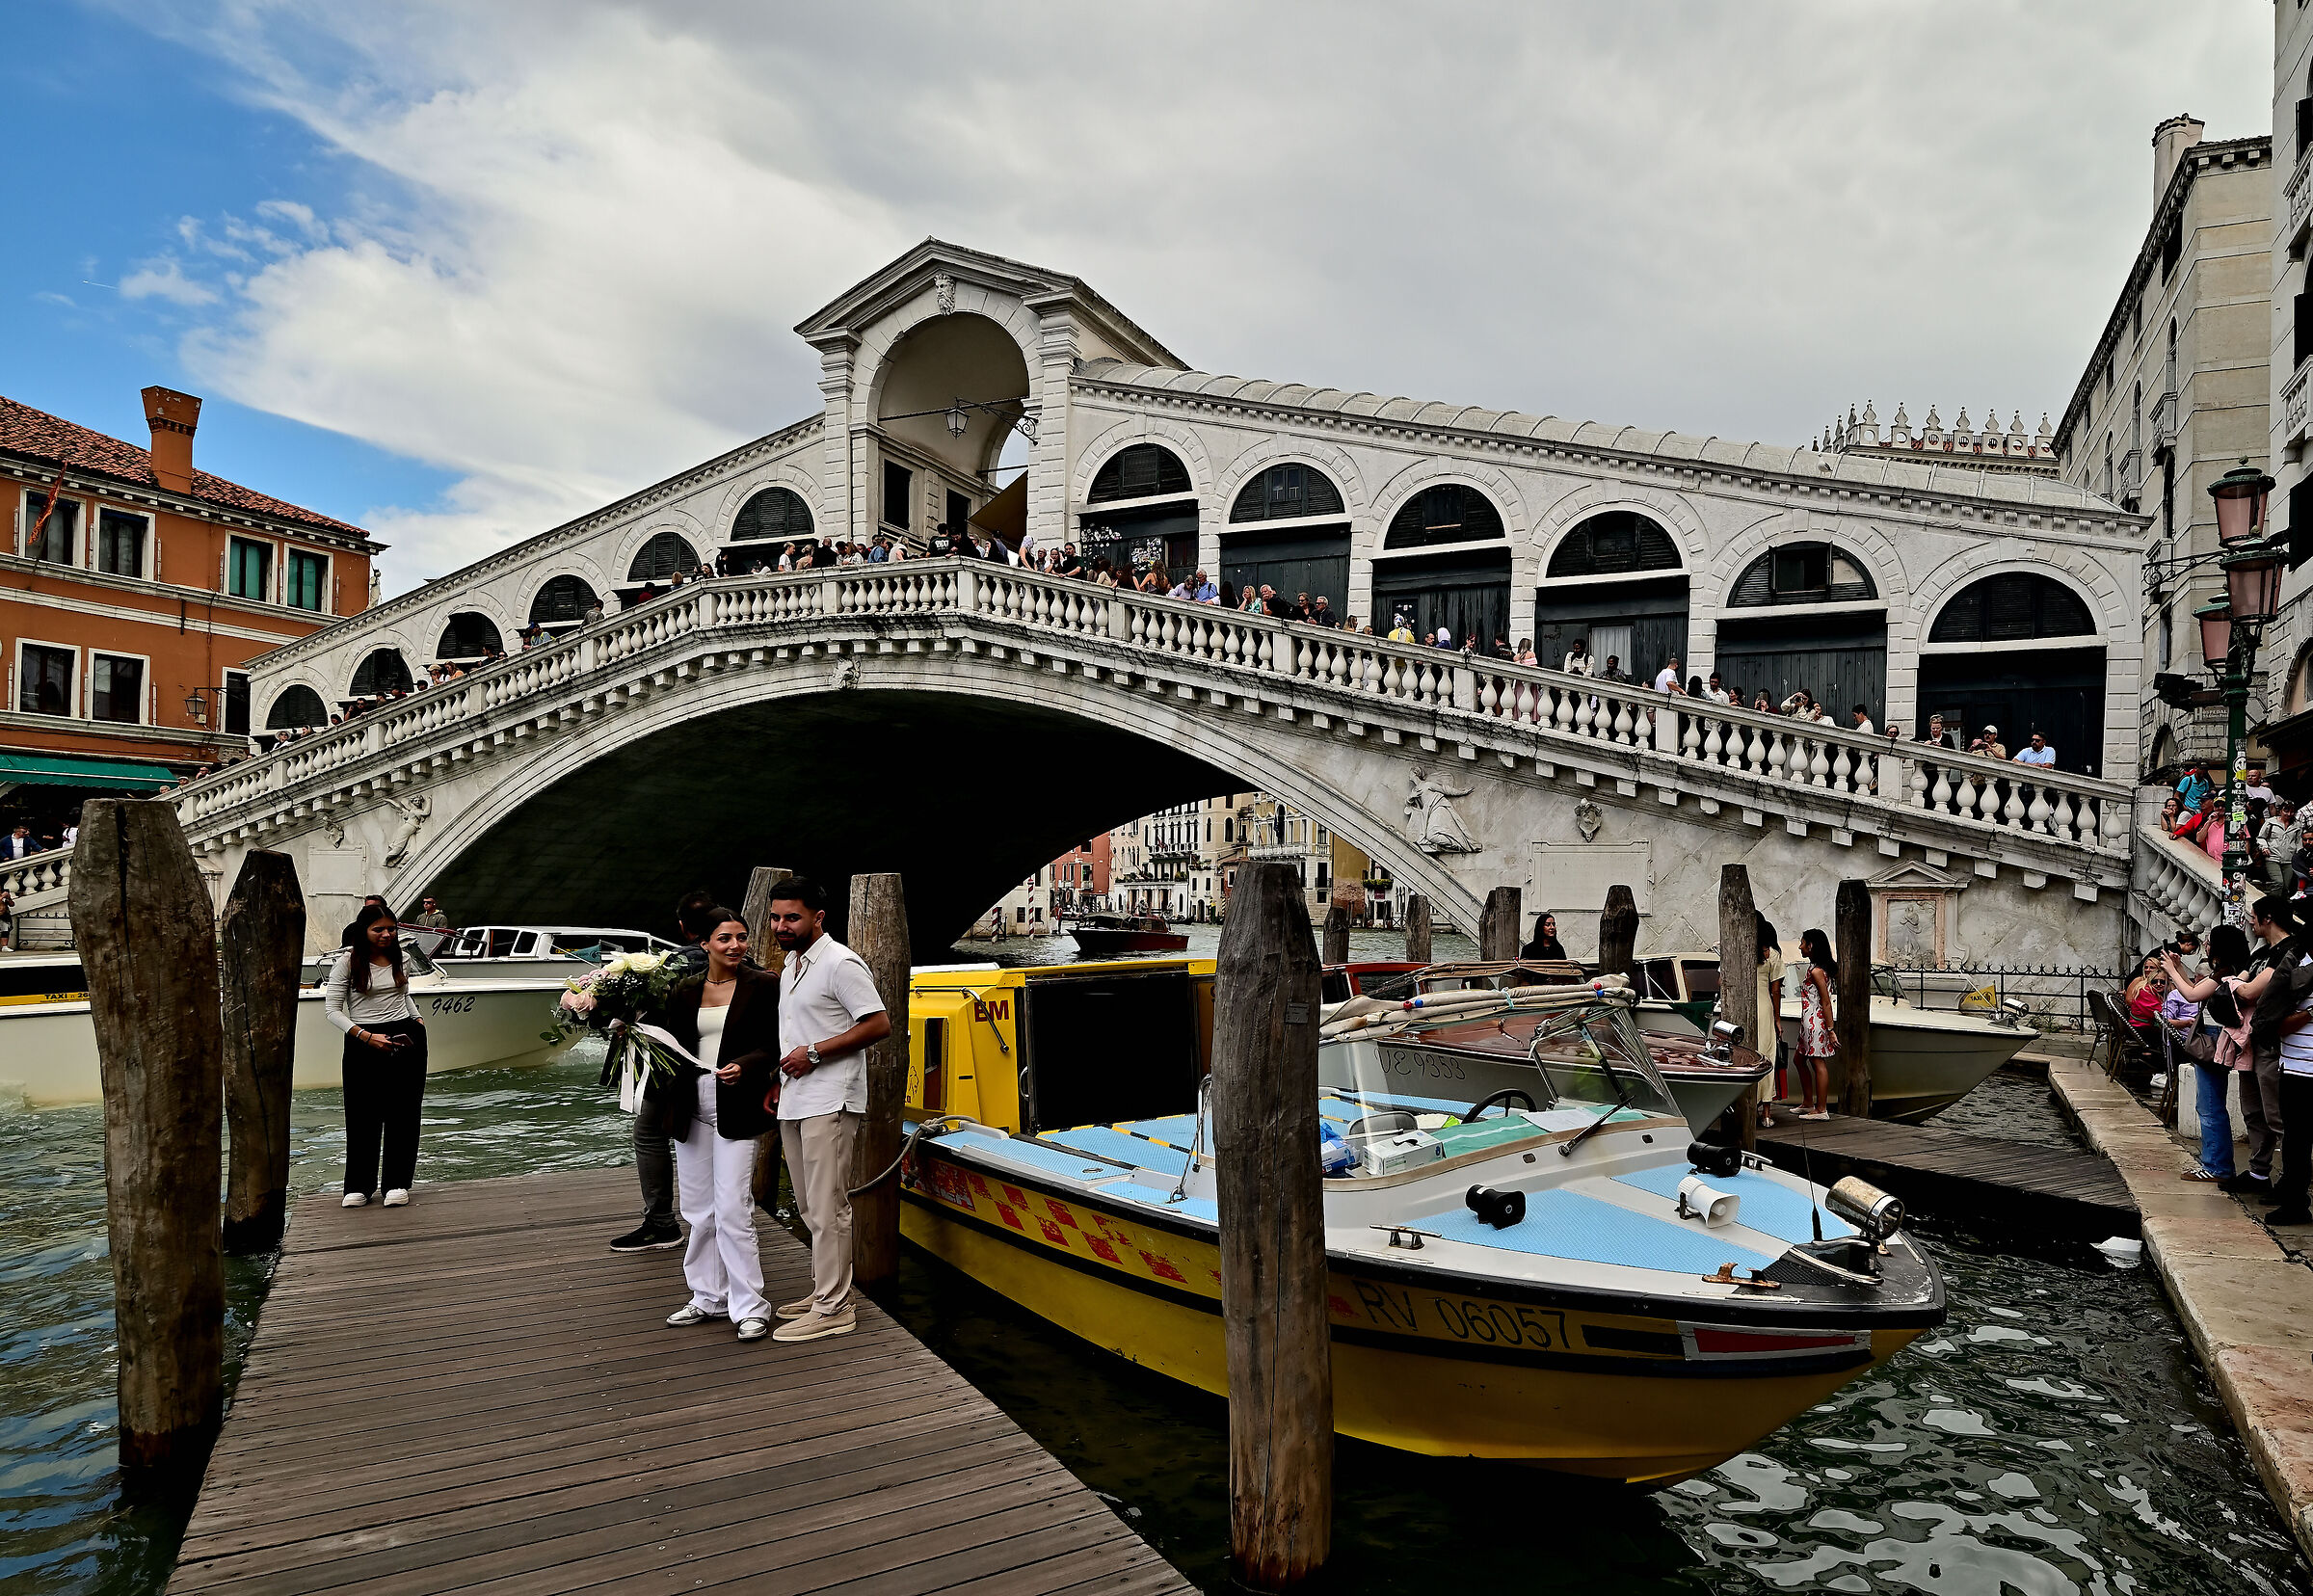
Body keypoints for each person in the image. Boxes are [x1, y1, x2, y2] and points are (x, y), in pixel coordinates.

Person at [767, 877, 893, 1342]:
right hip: (797, 1097)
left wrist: (815, 1053)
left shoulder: (841, 963)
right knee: (808, 1204)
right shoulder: (790, 965)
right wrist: (778, 1081)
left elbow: (879, 1023)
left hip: (831, 1099)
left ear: (818, 918)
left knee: (828, 1206)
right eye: (777, 917)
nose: (781, 925)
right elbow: (794, 1032)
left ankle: (835, 1307)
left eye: (792, 917)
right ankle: (828, 1289)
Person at [651, 909, 781, 1341]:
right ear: (705, 944)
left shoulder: (765, 986)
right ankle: (707, 1295)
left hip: (738, 1102)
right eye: (725, 938)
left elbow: (776, 1042)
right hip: (691, 1102)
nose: (735, 946)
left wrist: (747, 1066)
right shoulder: (683, 989)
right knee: (698, 1210)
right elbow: (667, 1041)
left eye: (741, 938)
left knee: (732, 1208)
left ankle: (750, 1306)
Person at [608, 891, 720, 1253]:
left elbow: (647, 1009)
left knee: (649, 1134)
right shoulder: (739, 962)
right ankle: (724, 1216)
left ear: (683, 926)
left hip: (675, 1066)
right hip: (725, 1067)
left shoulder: (674, 963)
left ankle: (661, 1222)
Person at [325, 903, 429, 1209]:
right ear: (364, 932)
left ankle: (397, 1184)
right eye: (378, 929)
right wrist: (367, 1037)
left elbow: (404, 996)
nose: (386, 934)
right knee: (362, 1113)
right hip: (363, 1040)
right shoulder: (348, 962)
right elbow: (332, 1011)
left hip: (405, 1037)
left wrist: (418, 1020)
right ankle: (359, 1186)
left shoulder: (403, 958)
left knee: (404, 1113)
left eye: (391, 929)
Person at [1793, 927, 1838, 1121]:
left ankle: (1821, 1109)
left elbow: (1825, 1001)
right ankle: (1808, 1102)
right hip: (1809, 1022)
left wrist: (1830, 1030)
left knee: (1817, 1062)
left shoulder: (1818, 971)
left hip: (1815, 1022)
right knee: (1799, 1059)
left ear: (1810, 946)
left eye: (1802, 942)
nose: (1800, 946)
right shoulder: (1814, 968)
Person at [1755, 915, 1787, 1130]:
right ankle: (1766, 1114)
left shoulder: (1739, 950)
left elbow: (1721, 981)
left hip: (1743, 1006)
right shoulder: (1772, 955)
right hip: (1765, 1009)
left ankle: (1745, 1106)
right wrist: (1777, 1018)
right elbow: (1776, 991)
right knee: (1766, 1057)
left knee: (1743, 1058)